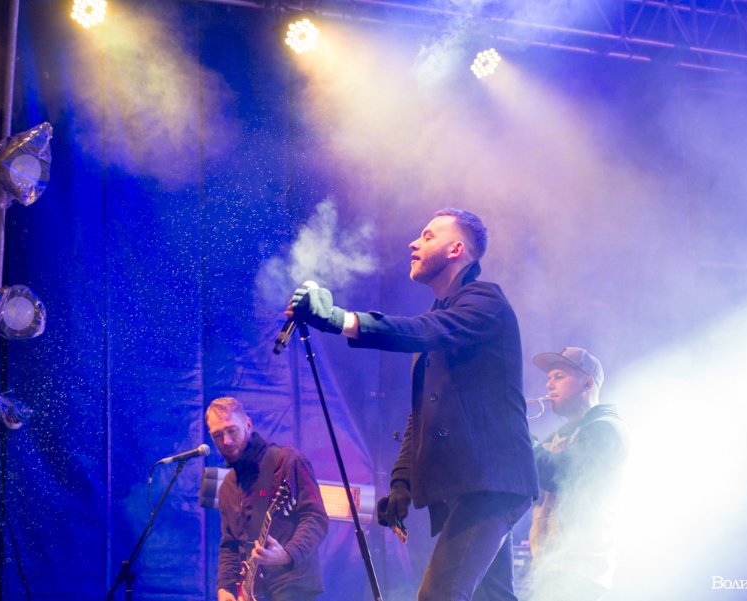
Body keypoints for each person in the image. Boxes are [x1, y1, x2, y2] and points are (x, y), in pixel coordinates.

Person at [288, 208, 539, 601]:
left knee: (439, 596)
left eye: (427, 236)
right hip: (470, 486)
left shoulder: (484, 301)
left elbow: (425, 331)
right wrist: (402, 484)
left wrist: (341, 320)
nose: (413, 243)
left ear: (456, 249)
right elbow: (421, 416)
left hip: (491, 482)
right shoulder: (440, 318)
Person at [526, 347, 629, 601]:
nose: (549, 385)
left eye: (559, 376)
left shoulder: (605, 429)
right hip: (554, 567)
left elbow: (561, 474)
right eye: (549, 378)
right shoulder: (562, 435)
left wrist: (520, 434)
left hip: (579, 569)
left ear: (588, 383)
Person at [205, 396, 329, 601]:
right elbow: (230, 544)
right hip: (254, 591)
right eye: (218, 435)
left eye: (231, 430)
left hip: (292, 585)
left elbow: (315, 518)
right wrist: (225, 587)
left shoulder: (286, 461)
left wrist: (288, 554)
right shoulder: (228, 486)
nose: (226, 441)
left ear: (248, 425)